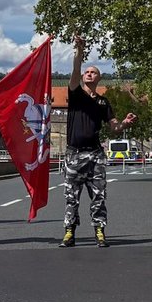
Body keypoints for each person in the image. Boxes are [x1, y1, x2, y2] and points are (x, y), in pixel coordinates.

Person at [60, 36, 137, 248]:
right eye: (87, 72)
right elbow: (75, 71)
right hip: (74, 154)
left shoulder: (103, 102)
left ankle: (100, 231)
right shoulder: (75, 94)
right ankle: (69, 232)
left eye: (93, 72)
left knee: (99, 196)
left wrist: (125, 123)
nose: (89, 74)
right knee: (71, 197)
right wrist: (79, 51)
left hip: (95, 155)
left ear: (99, 78)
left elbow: (113, 127)